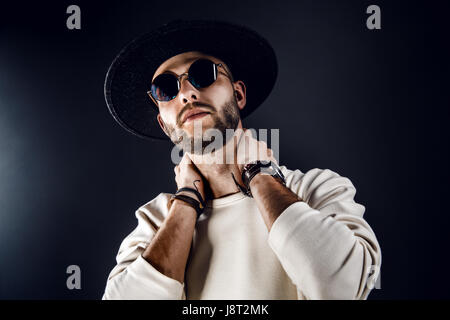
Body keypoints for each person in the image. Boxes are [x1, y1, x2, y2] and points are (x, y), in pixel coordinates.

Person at [102, 19, 381, 300]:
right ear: (164, 124)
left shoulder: (317, 189)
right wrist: (186, 200)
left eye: (203, 73)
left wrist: (259, 174)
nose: (186, 93)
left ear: (238, 94)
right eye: (165, 88)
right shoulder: (155, 219)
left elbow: (343, 289)